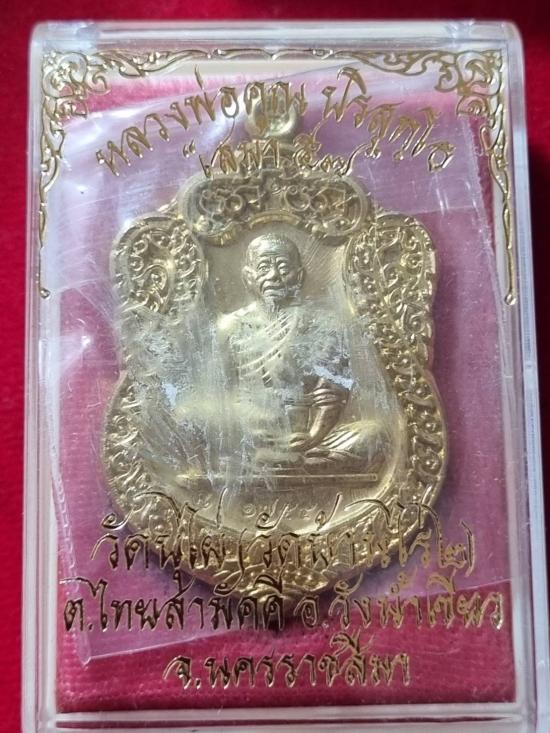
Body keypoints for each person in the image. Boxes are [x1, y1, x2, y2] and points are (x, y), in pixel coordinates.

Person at [218, 231, 389, 477]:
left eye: (283, 267)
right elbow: (220, 393)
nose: (274, 276)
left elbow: (331, 392)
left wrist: (313, 436)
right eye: (264, 267)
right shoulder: (229, 327)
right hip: (248, 434)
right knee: (189, 420)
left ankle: (283, 462)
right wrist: (244, 429)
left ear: (299, 276)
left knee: (374, 436)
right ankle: (296, 464)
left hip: (304, 436)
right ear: (248, 276)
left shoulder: (322, 324)